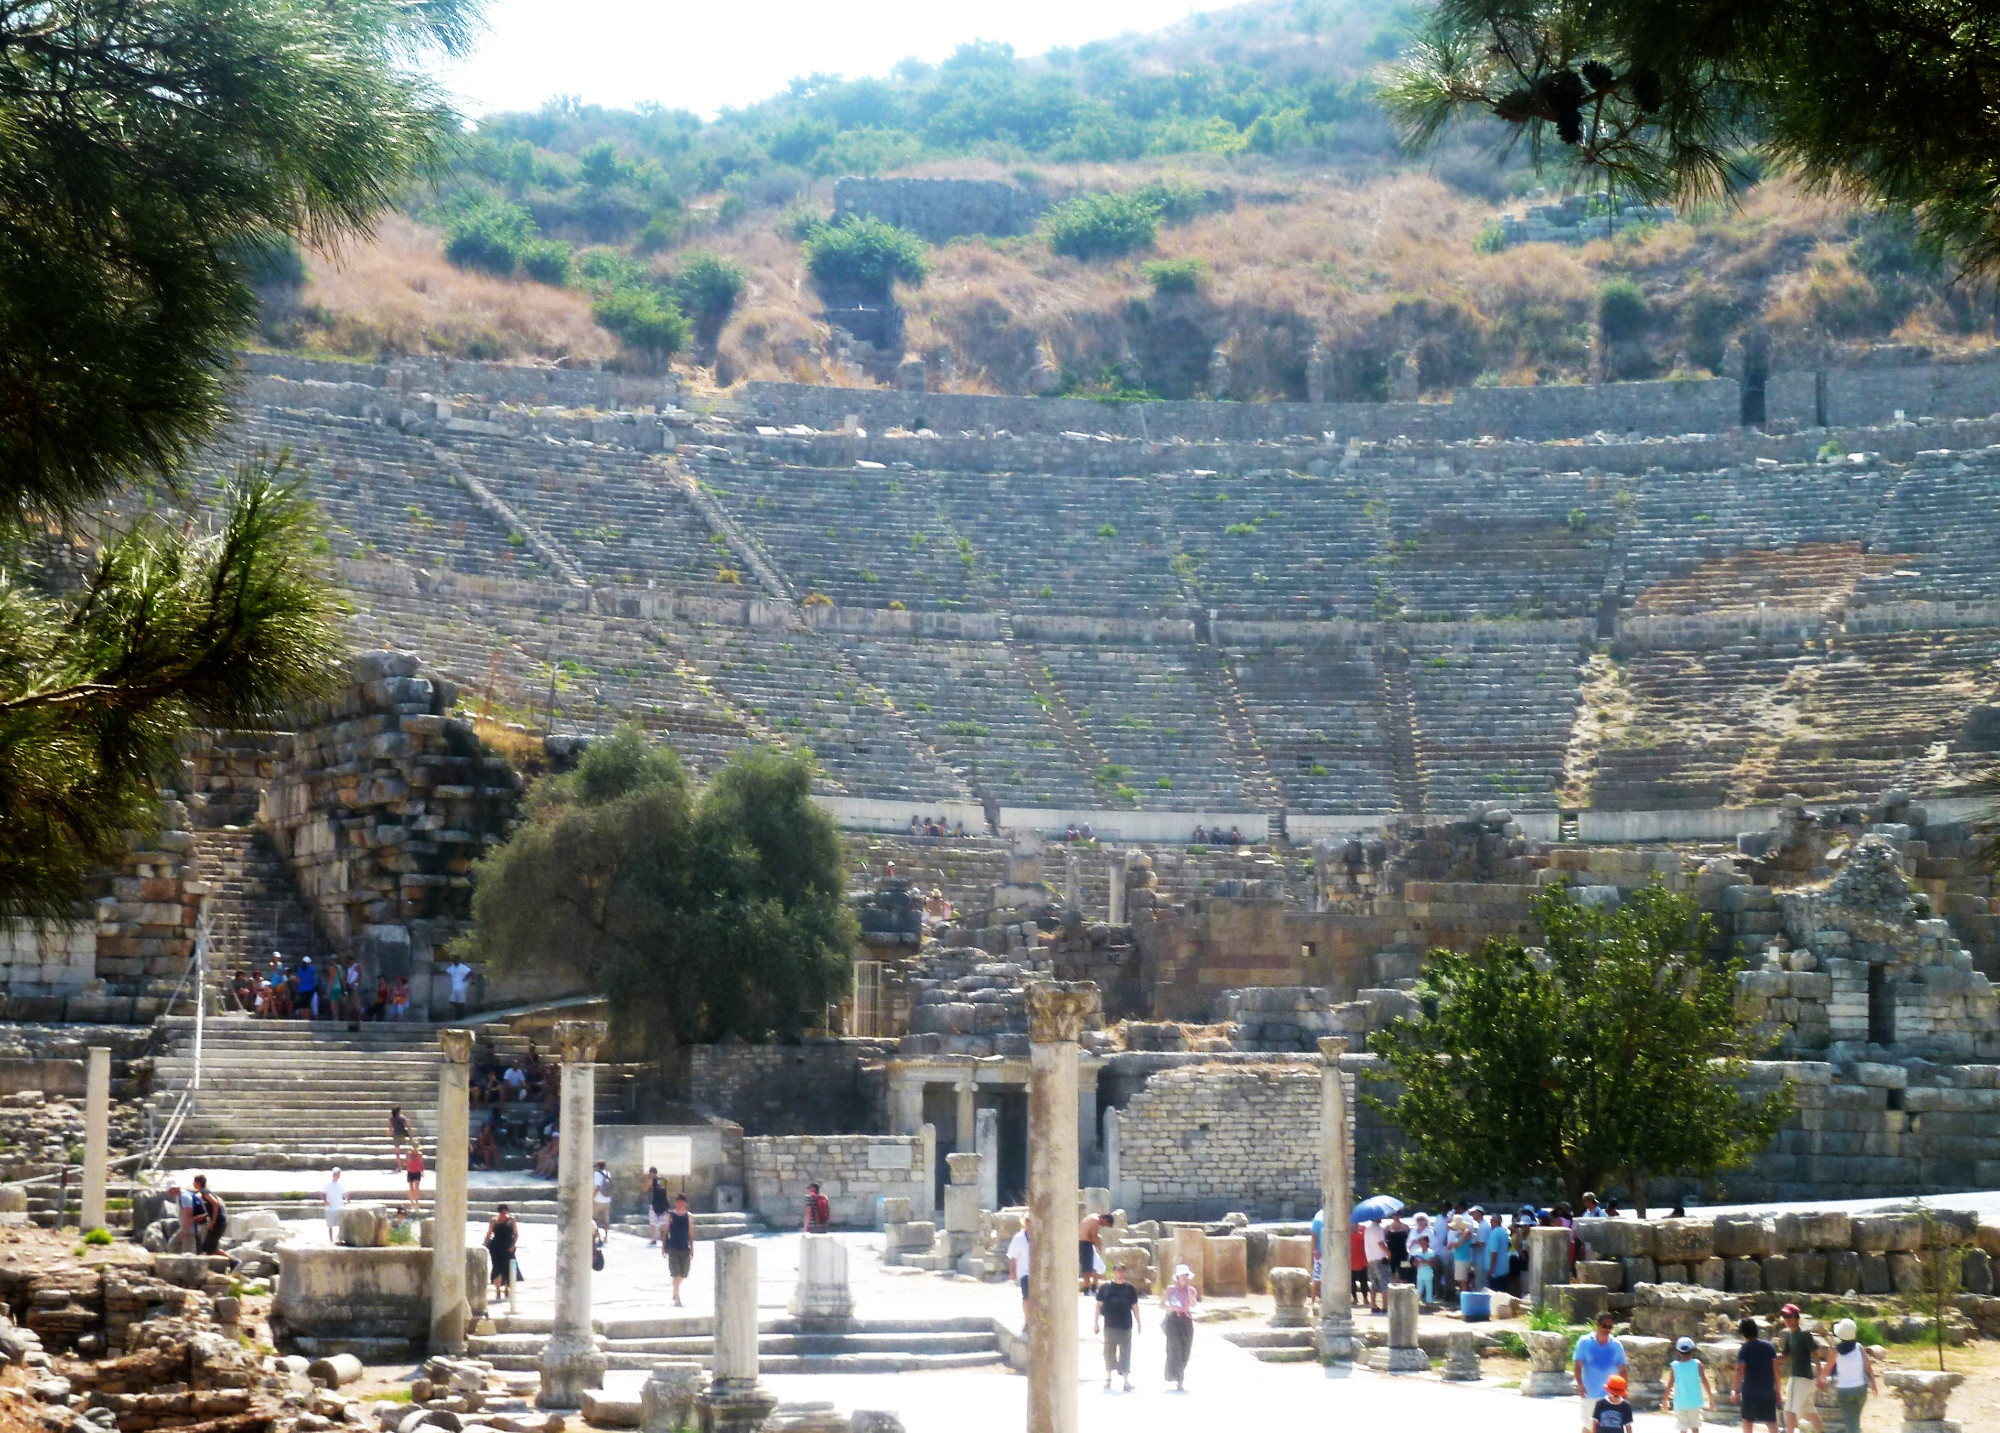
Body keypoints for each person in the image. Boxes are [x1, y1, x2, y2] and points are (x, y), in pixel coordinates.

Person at [1573, 1312, 1629, 1433]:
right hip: (1590, 1393)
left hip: (1610, 1395)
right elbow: (1577, 1366)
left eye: (1610, 1327)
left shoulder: (1616, 1345)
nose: (1607, 1329)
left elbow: (1623, 1370)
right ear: (1597, 1325)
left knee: (1604, 1427)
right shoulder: (1585, 1342)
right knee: (1589, 1426)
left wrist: (1624, 1392)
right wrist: (1580, 1385)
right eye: (1605, 1326)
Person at [1821, 1317, 1876, 1432]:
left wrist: (1821, 1380)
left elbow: (1827, 1370)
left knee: (1850, 1421)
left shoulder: (1835, 1351)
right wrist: (1874, 1383)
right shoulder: (1859, 1347)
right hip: (1861, 1389)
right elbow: (1868, 1367)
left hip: (1844, 1390)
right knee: (1855, 1419)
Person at [1093, 1262, 1141, 1392]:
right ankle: (1108, 1378)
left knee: (1125, 1352)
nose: (1120, 1273)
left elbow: (1135, 1306)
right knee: (1109, 1352)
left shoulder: (1130, 1289)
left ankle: (1126, 1381)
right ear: (1114, 1272)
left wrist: (1139, 1322)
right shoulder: (1105, 1288)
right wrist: (1096, 1323)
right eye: (1118, 1271)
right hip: (1110, 1325)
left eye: (1123, 1271)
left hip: (1126, 1325)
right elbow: (1098, 1306)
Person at [1778, 1303, 1823, 1433]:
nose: (1787, 1320)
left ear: (1797, 1317)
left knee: (1789, 1410)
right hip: (1805, 1379)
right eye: (1785, 1317)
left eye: (1789, 1316)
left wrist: (1820, 1376)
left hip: (1799, 1378)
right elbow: (1785, 1356)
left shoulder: (1804, 1334)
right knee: (1811, 1412)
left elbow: (1815, 1354)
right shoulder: (1790, 1336)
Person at [1735, 1316, 1782, 1433]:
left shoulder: (1744, 1349)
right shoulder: (1769, 1347)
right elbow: (1776, 1370)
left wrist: (1734, 1390)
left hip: (1750, 1391)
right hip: (1768, 1390)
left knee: (1747, 1420)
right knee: (1771, 1421)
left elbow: (1740, 1371)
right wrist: (1779, 1391)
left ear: (1743, 1334)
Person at [1162, 1263, 1197, 1391]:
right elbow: (1161, 1304)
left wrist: (1188, 1290)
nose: (1185, 1278)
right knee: (1174, 1349)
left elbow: (1193, 1304)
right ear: (1177, 1277)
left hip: (1186, 1320)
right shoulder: (1171, 1290)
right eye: (1182, 1276)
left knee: (1185, 1350)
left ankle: (1177, 1373)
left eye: (1186, 1276)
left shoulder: (1192, 1290)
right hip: (1173, 1320)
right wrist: (1171, 1307)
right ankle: (1179, 1379)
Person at [1671, 1336, 1714, 1432]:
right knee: (1695, 1426)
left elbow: (1670, 1384)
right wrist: (1710, 1397)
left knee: (1682, 1428)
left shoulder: (1675, 1366)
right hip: (1695, 1402)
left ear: (1678, 1352)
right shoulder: (1698, 1364)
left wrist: (1665, 1400)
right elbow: (1704, 1381)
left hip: (1680, 1402)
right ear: (1693, 1350)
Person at [664, 1193, 695, 1306]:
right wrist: (663, 1246)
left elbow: (691, 1233)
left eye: (682, 1203)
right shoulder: (670, 1216)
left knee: (683, 1274)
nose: (680, 1205)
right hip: (673, 1247)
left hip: (685, 1248)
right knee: (676, 1273)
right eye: (678, 1203)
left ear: (685, 1204)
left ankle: (674, 1289)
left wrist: (692, 1249)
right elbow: (666, 1231)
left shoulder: (689, 1217)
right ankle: (677, 1297)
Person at [485, 1205, 517, 1300]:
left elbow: (516, 1235)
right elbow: (489, 1234)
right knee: (497, 1269)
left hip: (508, 1247)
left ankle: (507, 1289)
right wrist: (485, 1244)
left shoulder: (512, 1220)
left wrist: (513, 1245)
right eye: (502, 1212)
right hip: (496, 1247)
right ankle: (498, 1291)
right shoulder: (494, 1221)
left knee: (508, 1268)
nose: (504, 1214)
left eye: (505, 1212)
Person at [1362, 1217, 1390, 1313]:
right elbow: (1381, 1243)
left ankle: (1373, 1304)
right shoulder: (1378, 1229)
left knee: (1374, 1283)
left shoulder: (1367, 1229)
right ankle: (1385, 1306)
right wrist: (1389, 1253)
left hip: (1370, 1258)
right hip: (1380, 1259)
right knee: (1385, 1283)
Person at [192, 1175, 226, 1255]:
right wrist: (204, 1216)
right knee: (208, 1248)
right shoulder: (206, 1192)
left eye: (194, 1182)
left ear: (198, 1183)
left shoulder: (205, 1192)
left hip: (218, 1223)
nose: (193, 1184)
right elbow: (212, 1208)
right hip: (218, 1222)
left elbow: (215, 1203)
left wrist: (212, 1222)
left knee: (210, 1249)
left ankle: (233, 1261)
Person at [1409, 1213, 1436, 1307]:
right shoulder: (1413, 1231)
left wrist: (1425, 1261)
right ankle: (1417, 1300)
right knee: (1418, 1286)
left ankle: (1429, 1301)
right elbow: (1408, 1243)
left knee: (1429, 1286)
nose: (1420, 1221)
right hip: (1415, 1258)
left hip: (1428, 1270)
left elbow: (1433, 1243)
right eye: (1418, 1220)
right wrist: (1412, 1243)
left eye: (1422, 1219)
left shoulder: (1430, 1231)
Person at [1008, 1215, 1031, 1323]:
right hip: (1025, 1272)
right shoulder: (1018, 1238)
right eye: (1028, 1222)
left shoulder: (1040, 1237)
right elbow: (1013, 1257)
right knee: (1026, 1297)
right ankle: (1027, 1319)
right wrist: (1012, 1272)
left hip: (1038, 1272)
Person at [1485, 1210, 1514, 1294]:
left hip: (1496, 1271)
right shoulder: (1504, 1232)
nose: (1491, 1222)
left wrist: (1491, 1268)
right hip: (1504, 1267)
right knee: (1503, 1292)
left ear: (1497, 1221)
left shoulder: (1495, 1233)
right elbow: (1508, 1246)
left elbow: (1494, 1252)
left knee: (1494, 1294)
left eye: (1492, 1220)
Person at [1080, 1211, 1104, 1293]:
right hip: (1085, 1244)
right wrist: (1099, 1246)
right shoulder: (1095, 1220)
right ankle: (1087, 1290)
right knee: (1087, 1269)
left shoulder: (1092, 1217)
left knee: (1099, 1268)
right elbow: (1094, 1235)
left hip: (1088, 1244)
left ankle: (1093, 1288)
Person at [645, 1168, 670, 1246]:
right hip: (662, 1203)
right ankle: (660, 1239)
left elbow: (645, 1188)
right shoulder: (662, 1180)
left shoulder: (655, 1180)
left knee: (656, 1223)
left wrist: (649, 1179)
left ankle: (656, 1239)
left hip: (656, 1203)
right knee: (659, 1223)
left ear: (652, 1173)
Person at [321, 1167, 346, 1242]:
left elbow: (345, 1194)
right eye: (337, 1174)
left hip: (339, 1207)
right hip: (330, 1208)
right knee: (330, 1225)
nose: (338, 1176)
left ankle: (339, 1238)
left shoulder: (341, 1185)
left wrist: (348, 1200)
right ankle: (331, 1240)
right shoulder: (327, 1185)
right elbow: (323, 1194)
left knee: (341, 1224)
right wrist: (325, 1201)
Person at [404, 1143, 425, 1214]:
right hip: (410, 1171)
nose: (414, 1149)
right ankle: (412, 1203)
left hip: (417, 1172)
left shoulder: (420, 1154)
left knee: (416, 1188)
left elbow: (421, 1164)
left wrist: (422, 1171)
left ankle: (417, 1203)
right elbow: (406, 1163)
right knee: (411, 1188)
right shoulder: (408, 1154)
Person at [592, 1159, 612, 1231]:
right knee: (606, 1219)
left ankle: (597, 1235)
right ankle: (606, 1236)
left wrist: (592, 1198)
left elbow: (598, 1187)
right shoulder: (608, 1173)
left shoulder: (597, 1174)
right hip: (607, 1199)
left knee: (594, 1218)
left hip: (598, 1199)